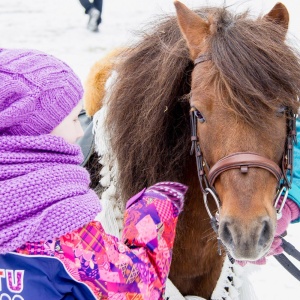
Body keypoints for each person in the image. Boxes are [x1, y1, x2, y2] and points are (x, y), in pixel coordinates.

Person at [0, 47, 187, 299]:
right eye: (74, 120)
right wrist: (155, 207)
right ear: (37, 132)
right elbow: (137, 285)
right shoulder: (63, 232)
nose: (79, 132)